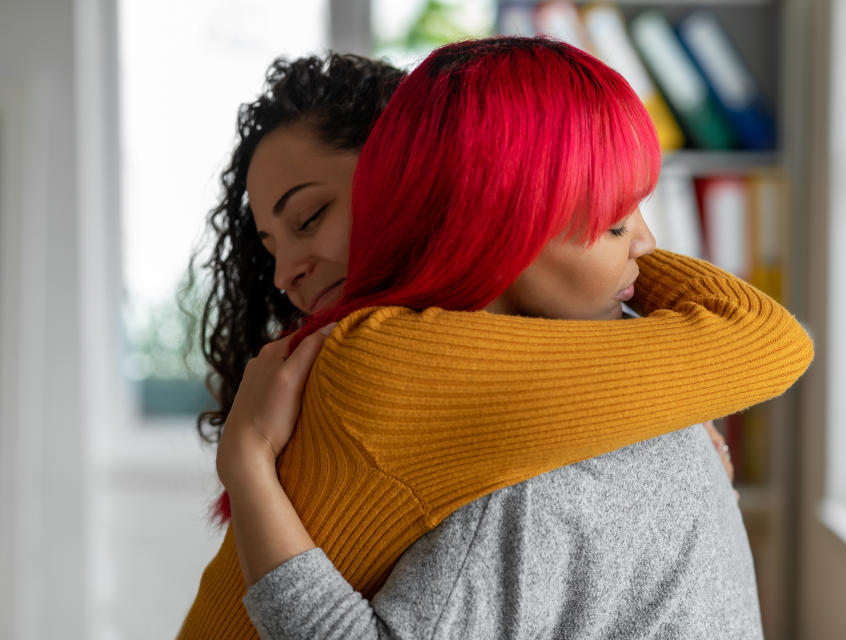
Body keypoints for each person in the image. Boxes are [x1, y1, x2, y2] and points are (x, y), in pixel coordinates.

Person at [179, 40, 812, 639]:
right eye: (270, 247)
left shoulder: (476, 358)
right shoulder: (388, 357)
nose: (285, 270)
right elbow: (761, 339)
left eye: (311, 216)